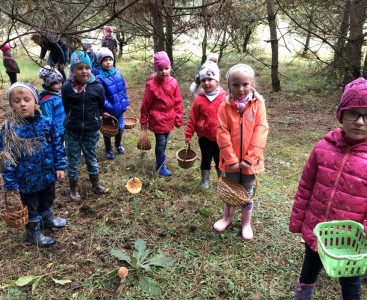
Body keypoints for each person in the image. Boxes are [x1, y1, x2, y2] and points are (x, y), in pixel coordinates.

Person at [289, 77, 367, 300]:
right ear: (341, 114)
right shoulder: (323, 148)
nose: (360, 122)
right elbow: (306, 186)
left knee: (351, 281)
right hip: (318, 230)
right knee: (309, 270)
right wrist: (299, 222)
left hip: (351, 238)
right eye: (353, 113)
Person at [0, 82, 67, 247]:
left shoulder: (45, 122)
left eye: (26, 99)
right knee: (31, 205)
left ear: (35, 101)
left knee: (48, 197)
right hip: (26, 178)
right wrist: (10, 182)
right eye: (16, 101)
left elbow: (56, 144)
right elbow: (6, 157)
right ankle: (33, 232)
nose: (22, 104)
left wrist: (59, 165)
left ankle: (47, 218)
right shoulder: (10, 129)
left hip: (47, 172)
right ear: (11, 104)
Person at [213, 64, 269, 241]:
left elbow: (261, 130)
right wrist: (230, 159)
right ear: (229, 85)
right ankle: (226, 217)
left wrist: (250, 159)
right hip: (230, 162)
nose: (241, 89)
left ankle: (246, 222)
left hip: (250, 163)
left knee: (247, 191)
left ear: (252, 83)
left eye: (245, 84)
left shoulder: (258, 105)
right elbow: (222, 132)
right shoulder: (224, 106)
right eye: (235, 85)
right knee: (230, 190)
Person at [62, 50, 109, 201]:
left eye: (87, 68)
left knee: (91, 157)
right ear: (73, 70)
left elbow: (100, 106)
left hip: (91, 129)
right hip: (72, 130)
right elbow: (66, 106)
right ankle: (73, 188)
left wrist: (98, 117)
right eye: (79, 68)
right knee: (73, 159)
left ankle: (96, 184)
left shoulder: (97, 87)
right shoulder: (67, 88)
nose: (84, 71)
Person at [140, 51, 183, 176]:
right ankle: (160, 165)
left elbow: (178, 101)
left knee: (165, 140)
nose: (164, 71)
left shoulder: (173, 83)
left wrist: (178, 117)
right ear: (155, 69)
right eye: (160, 69)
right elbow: (146, 103)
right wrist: (144, 119)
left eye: (166, 68)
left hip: (169, 117)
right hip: (157, 118)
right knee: (161, 142)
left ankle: (162, 160)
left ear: (170, 68)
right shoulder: (151, 85)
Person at [185, 61, 226, 189]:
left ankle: (222, 181)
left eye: (210, 79)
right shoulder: (199, 99)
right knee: (206, 158)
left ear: (217, 81)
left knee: (220, 160)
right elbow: (192, 118)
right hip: (204, 137)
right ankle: (205, 180)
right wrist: (188, 135)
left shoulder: (225, 98)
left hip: (221, 136)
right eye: (203, 80)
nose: (207, 83)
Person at [96, 47, 129, 160]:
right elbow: (101, 97)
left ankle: (118, 144)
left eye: (110, 59)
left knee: (121, 128)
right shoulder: (99, 78)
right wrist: (109, 108)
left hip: (119, 109)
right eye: (105, 60)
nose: (108, 62)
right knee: (107, 131)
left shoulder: (117, 73)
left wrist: (125, 102)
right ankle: (108, 149)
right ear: (100, 62)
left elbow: (123, 89)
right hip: (108, 112)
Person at [38, 65, 66, 143]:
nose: (60, 84)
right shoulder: (47, 100)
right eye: (56, 83)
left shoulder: (60, 93)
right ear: (48, 84)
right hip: (56, 129)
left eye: (60, 81)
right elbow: (47, 117)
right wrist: (50, 131)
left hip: (65, 126)